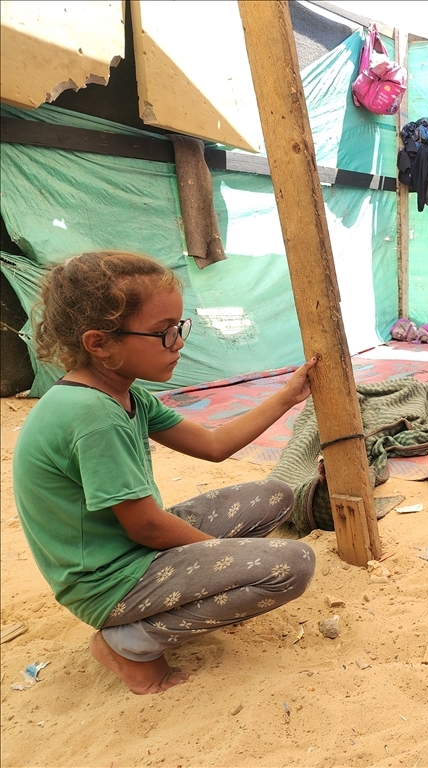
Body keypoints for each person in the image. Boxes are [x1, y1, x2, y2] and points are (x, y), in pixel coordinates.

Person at [12, 251, 319, 694]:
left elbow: (213, 446)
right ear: (99, 343)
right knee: (291, 565)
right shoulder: (91, 415)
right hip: (108, 582)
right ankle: (128, 643)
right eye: (163, 333)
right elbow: (148, 527)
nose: (178, 342)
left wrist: (288, 397)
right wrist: (221, 556)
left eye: (179, 327)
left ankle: (165, 612)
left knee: (276, 495)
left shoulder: (122, 392)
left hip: (131, 553)